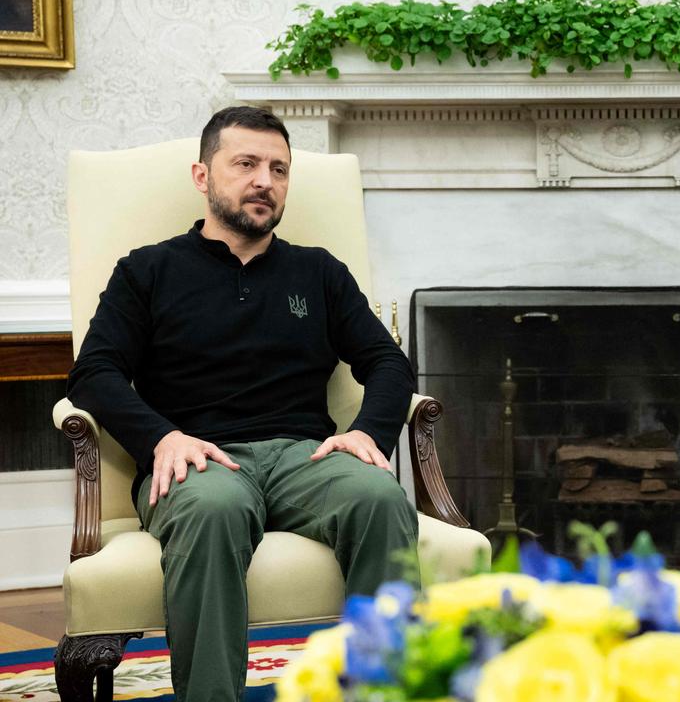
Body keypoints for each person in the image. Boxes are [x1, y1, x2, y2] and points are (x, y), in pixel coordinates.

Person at [67, 106, 419, 701]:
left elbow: (388, 362)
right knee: (214, 510)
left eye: (279, 169)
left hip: (305, 458)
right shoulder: (148, 270)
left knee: (380, 496)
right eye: (247, 164)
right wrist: (161, 439)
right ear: (203, 177)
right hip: (197, 461)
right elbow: (94, 371)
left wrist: (368, 433)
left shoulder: (318, 272)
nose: (265, 181)